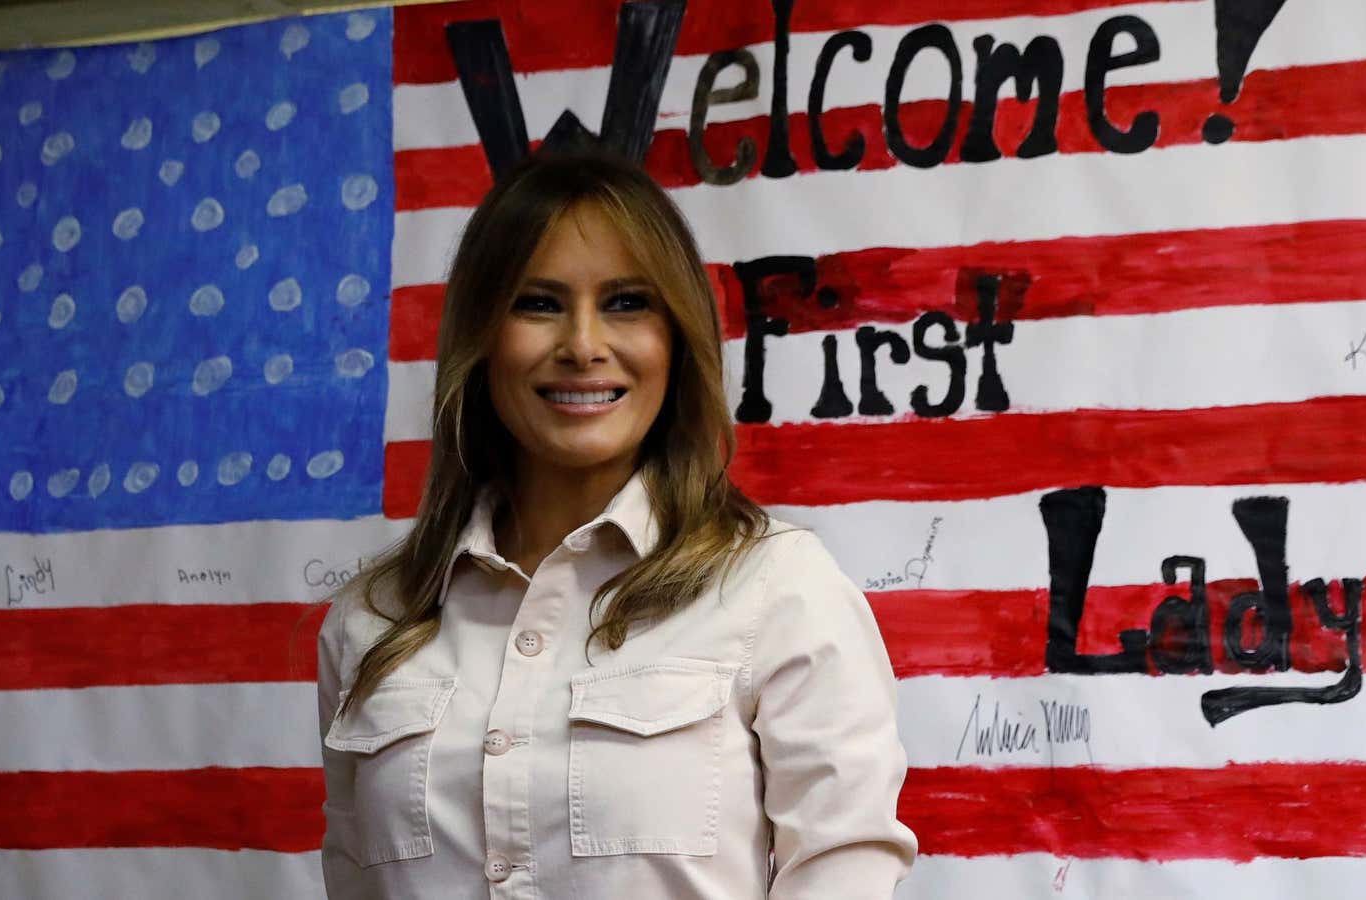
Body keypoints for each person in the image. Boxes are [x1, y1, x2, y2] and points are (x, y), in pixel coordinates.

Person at [316, 148, 918, 899]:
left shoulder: (779, 589)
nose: (583, 345)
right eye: (537, 302)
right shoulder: (372, 621)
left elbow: (844, 870)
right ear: (480, 336)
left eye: (627, 302)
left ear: (677, 339)